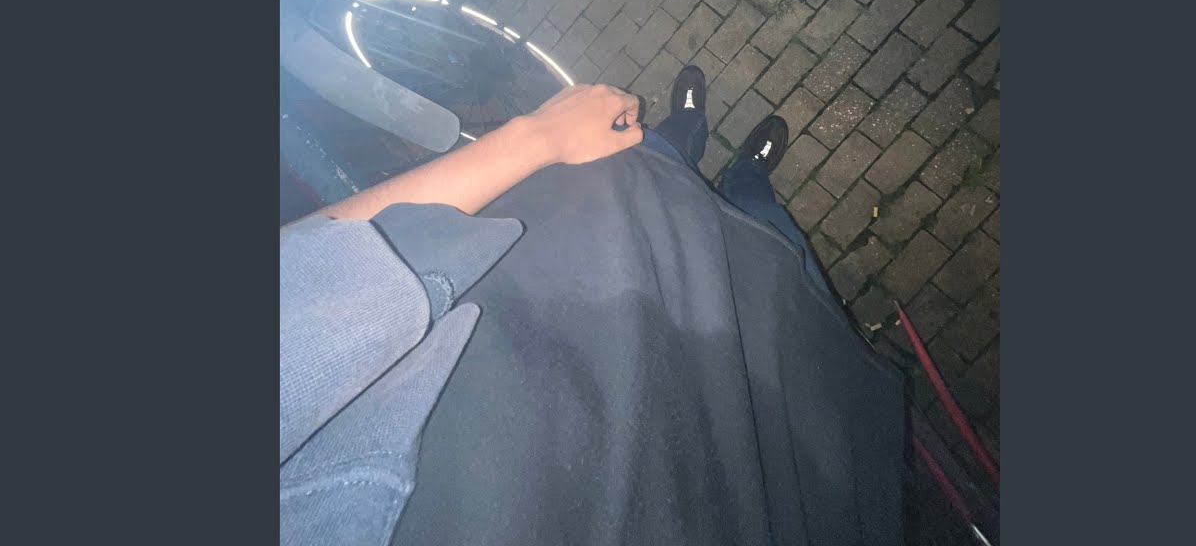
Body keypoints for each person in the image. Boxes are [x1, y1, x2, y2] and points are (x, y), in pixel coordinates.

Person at [280, 66, 906, 546]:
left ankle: (685, 139)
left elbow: (304, 284)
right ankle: (748, 183)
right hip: (700, 455)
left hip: (554, 315)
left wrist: (540, 136)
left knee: (644, 179)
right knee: (772, 277)